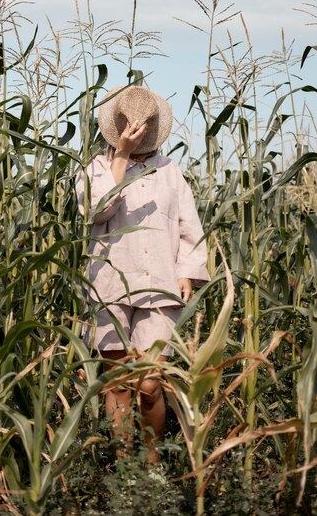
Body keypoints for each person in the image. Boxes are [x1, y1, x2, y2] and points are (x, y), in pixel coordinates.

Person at [76, 85, 209, 469]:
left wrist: (189, 272)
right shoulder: (97, 168)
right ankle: (123, 470)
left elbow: (189, 225)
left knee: (150, 384)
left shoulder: (170, 170)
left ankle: (150, 466)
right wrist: (121, 155)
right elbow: (97, 210)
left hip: (161, 285)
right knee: (117, 383)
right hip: (110, 285)